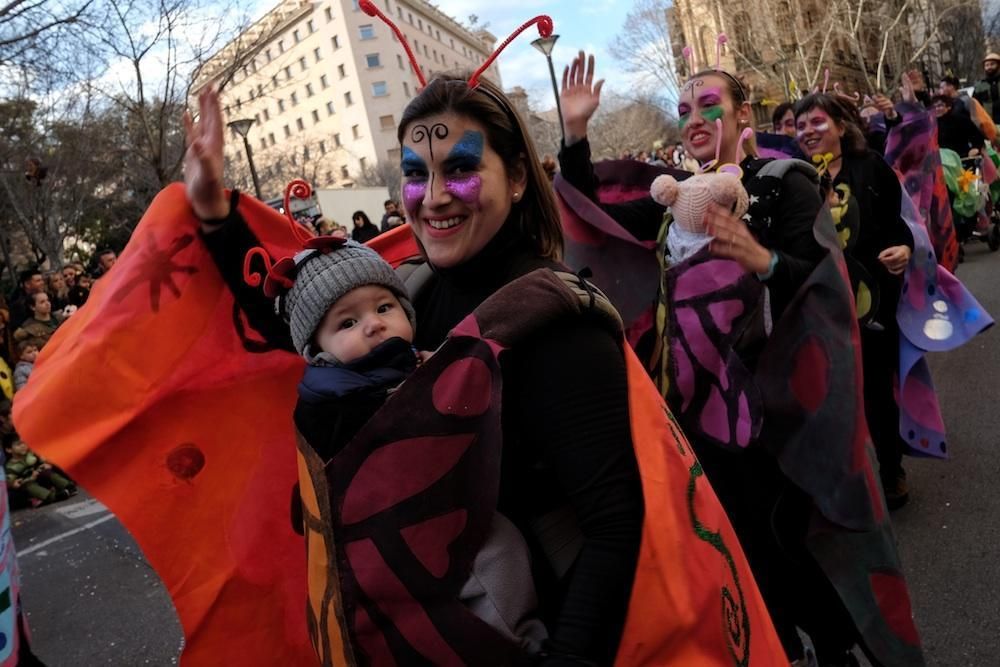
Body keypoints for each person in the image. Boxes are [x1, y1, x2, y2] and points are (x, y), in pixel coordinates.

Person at [559, 51, 922, 666]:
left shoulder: (784, 180)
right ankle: (781, 648)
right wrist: (574, 135)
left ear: (741, 112)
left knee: (804, 541)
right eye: (683, 111)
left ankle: (836, 648)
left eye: (708, 106)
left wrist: (765, 261)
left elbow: (826, 277)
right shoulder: (674, 199)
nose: (694, 120)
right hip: (701, 415)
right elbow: (597, 217)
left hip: (787, 412)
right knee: (741, 549)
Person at [795, 93, 915, 510]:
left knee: (876, 389)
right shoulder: (795, 178)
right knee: (831, 392)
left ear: (841, 127)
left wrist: (904, 250)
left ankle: (890, 467)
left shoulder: (871, 168)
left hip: (873, 301)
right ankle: (847, 475)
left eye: (816, 121)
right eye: (801, 125)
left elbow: (899, 227)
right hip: (819, 304)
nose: (808, 131)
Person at [4, 436, 75, 507]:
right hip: (29, 485)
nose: (23, 446)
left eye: (24, 443)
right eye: (18, 444)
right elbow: (13, 484)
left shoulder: (31, 454)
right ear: (9, 450)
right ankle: (53, 497)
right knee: (28, 485)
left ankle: (69, 486)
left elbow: (44, 461)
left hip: (41, 478)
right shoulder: (10, 466)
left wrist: (47, 464)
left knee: (46, 471)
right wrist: (29, 479)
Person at [973, 53, 1000, 123]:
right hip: (989, 124)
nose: (989, 67)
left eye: (992, 64)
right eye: (987, 65)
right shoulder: (979, 86)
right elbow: (975, 107)